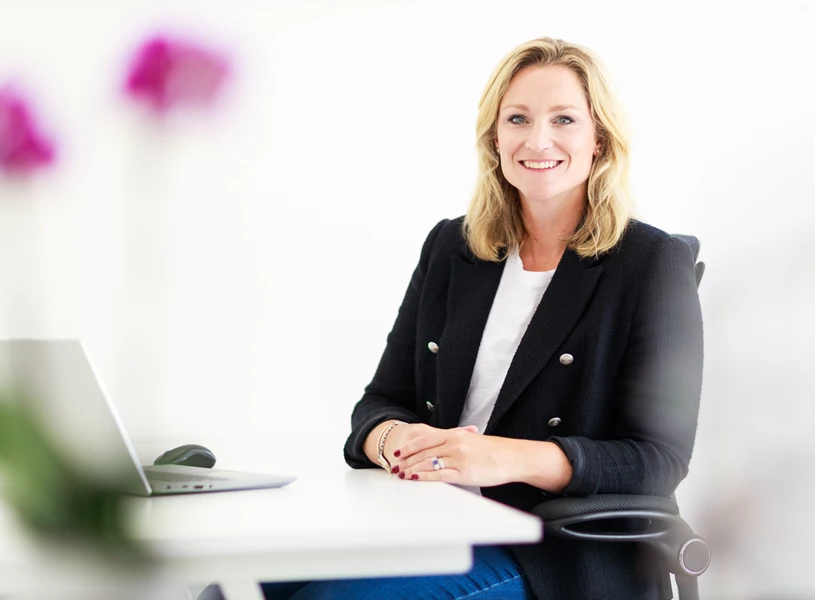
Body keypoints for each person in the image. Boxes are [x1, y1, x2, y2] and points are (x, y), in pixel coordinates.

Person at [203, 35, 703, 600]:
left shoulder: (650, 262)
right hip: (425, 517)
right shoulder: (452, 246)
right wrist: (393, 440)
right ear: (495, 138)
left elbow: (658, 460)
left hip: (554, 550)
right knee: (231, 585)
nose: (538, 139)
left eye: (564, 119)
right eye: (518, 119)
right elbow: (380, 401)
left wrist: (496, 457)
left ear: (600, 140)